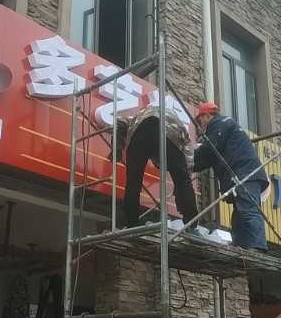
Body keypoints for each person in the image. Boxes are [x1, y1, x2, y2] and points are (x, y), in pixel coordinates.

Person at [193, 102, 269, 251]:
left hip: (245, 173)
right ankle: (241, 246)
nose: (200, 125)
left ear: (206, 115)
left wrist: (187, 155)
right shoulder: (223, 129)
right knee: (239, 215)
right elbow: (209, 158)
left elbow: (208, 148)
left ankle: (257, 246)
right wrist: (189, 165)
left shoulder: (221, 123)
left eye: (200, 120)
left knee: (248, 210)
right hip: (243, 173)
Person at [115, 105, 198, 229]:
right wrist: (185, 178)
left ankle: (131, 223)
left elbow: (119, 122)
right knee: (183, 181)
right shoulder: (179, 127)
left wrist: (117, 147)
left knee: (133, 181)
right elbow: (188, 157)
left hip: (139, 132)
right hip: (168, 131)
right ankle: (192, 223)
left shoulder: (137, 116)